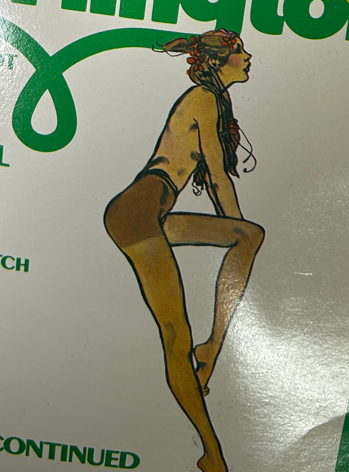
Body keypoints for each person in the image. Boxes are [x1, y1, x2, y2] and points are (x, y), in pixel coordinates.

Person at [104, 29, 264, 472]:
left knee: (249, 236)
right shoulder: (203, 99)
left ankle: (210, 348)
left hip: (150, 214)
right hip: (135, 214)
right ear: (217, 62)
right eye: (238, 52)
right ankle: (212, 455)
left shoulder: (214, 99)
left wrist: (238, 228)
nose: (248, 56)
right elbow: (217, 176)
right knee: (176, 337)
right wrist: (235, 223)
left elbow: (213, 178)